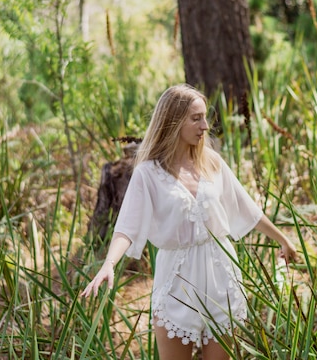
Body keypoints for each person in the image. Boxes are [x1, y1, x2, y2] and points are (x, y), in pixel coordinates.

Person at [81, 84, 298, 360]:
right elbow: (128, 224)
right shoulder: (148, 173)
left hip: (221, 274)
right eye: (196, 118)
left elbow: (247, 208)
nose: (205, 126)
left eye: (205, 117)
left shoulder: (213, 163)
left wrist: (284, 239)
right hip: (176, 280)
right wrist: (109, 264)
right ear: (173, 122)